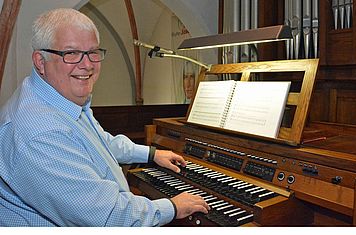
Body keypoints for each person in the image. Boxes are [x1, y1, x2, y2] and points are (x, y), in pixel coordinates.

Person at [0, 8, 209, 226]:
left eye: (93, 52)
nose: (87, 64)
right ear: (40, 61)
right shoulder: (40, 132)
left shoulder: (58, 99)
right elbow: (108, 217)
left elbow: (99, 143)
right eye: (71, 53)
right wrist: (171, 207)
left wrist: (150, 153)